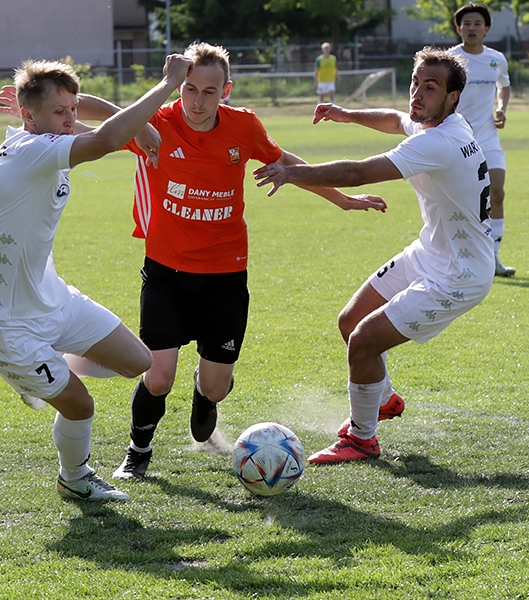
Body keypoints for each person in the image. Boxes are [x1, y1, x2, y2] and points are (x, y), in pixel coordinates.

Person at [32, 42, 385, 480]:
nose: (197, 102)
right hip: (167, 273)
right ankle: (137, 451)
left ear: (226, 91)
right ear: (178, 86)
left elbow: (288, 164)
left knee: (217, 385)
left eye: (209, 92)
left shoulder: (244, 127)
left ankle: (205, 392)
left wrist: (342, 200)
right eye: (189, 89)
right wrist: (32, 109)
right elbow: (91, 118)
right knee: (157, 376)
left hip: (225, 274)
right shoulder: (156, 122)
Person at [0, 54, 194, 501]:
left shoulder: (48, 134)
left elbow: (99, 124)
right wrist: (165, 86)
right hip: (2, 320)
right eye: (59, 112)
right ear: (27, 116)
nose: (70, 119)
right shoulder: (32, 152)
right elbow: (107, 138)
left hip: (51, 299)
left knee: (138, 363)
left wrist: (136, 128)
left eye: (72, 110)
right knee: (80, 404)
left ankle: (38, 372)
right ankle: (76, 478)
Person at [254, 47, 495, 464]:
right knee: (350, 321)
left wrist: (291, 172)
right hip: (430, 252)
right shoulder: (436, 122)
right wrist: (347, 114)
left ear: (453, 97)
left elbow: (358, 173)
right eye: (416, 82)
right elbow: (395, 119)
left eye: (430, 87)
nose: (417, 94)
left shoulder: (441, 141)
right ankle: (382, 400)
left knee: (364, 341)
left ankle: (362, 439)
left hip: (459, 275)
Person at [449, 4, 515, 277]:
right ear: (458, 28)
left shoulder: (496, 59)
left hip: (488, 138)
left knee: (497, 193)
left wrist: (502, 108)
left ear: (487, 29)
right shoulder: (449, 60)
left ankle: (494, 259)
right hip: (455, 140)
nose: (472, 28)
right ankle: (457, 260)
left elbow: (504, 86)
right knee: (458, 203)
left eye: (477, 23)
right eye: (467, 23)